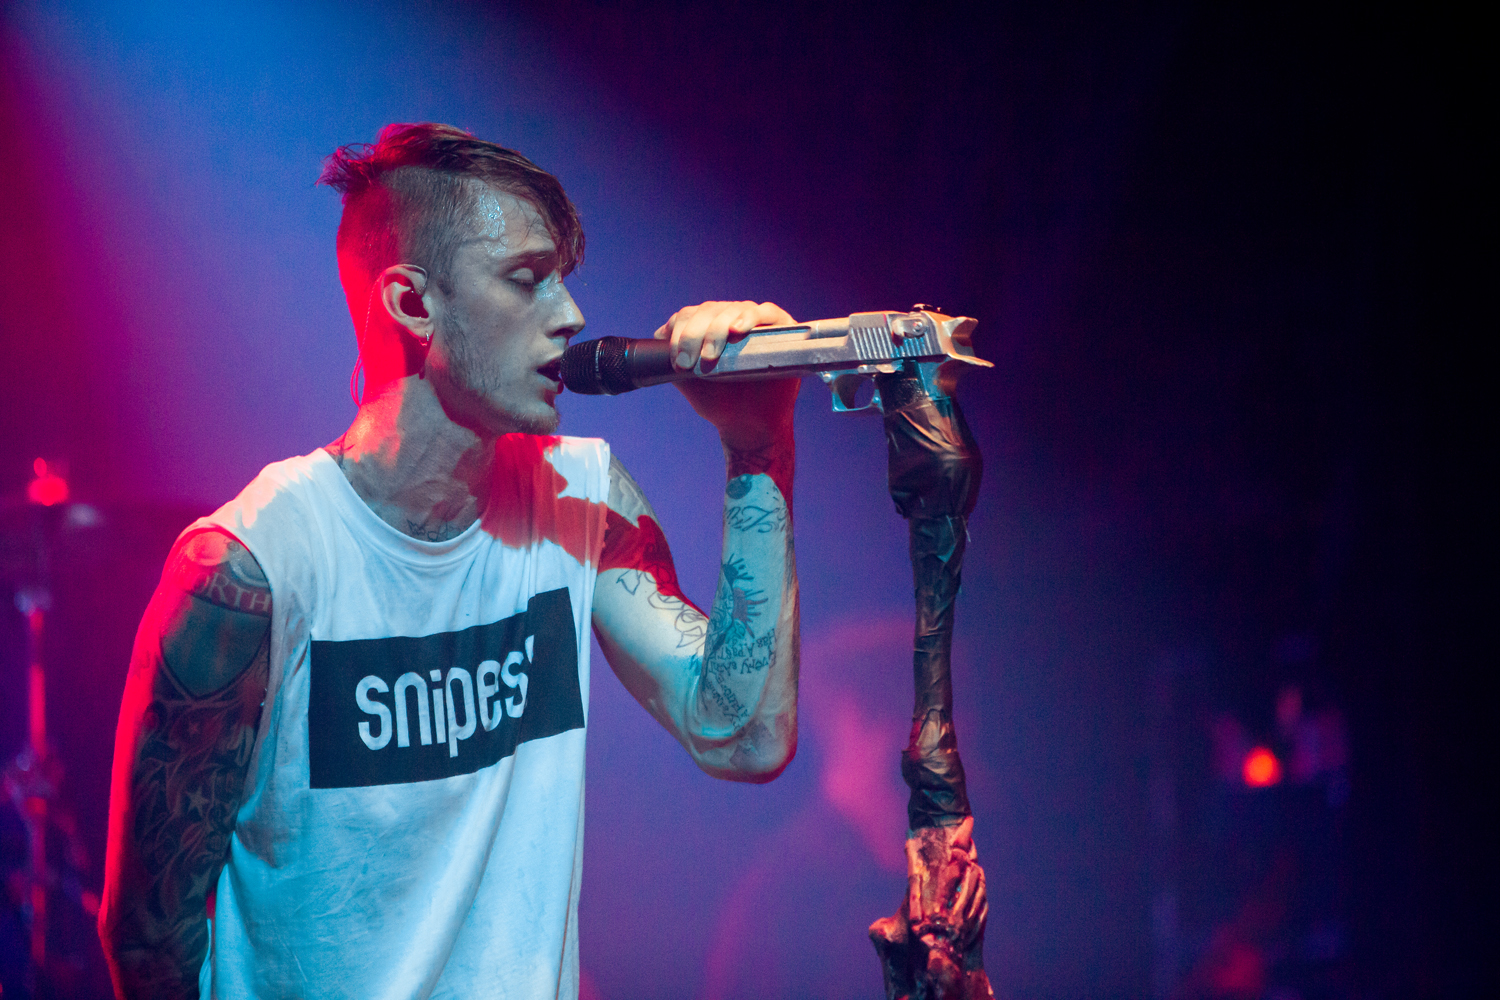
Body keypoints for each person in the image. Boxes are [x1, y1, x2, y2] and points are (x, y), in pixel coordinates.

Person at [97, 122, 801, 999]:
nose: (572, 316)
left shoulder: (581, 496)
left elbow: (744, 737)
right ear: (412, 303)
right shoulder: (251, 569)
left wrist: (756, 442)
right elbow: (149, 938)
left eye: (564, 279)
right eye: (527, 279)